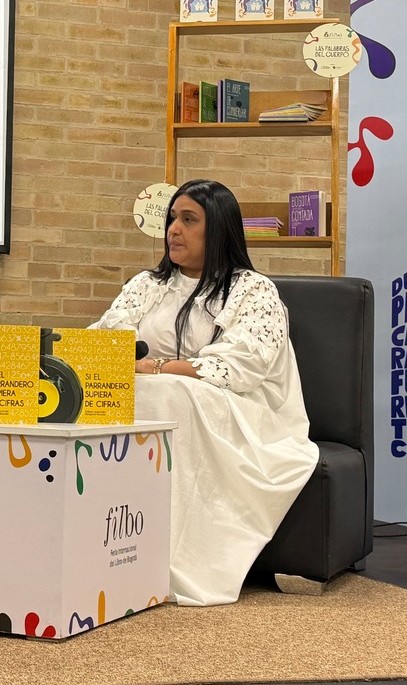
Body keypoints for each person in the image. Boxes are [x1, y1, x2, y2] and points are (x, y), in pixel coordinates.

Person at [90, 179, 319, 606]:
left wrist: (157, 367)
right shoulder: (148, 284)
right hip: (169, 394)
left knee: (168, 393)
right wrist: (138, 366)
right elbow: (104, 340)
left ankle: (167, 559)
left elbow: (242, 365)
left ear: (218, 230)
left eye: (188, 220)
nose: (173, 229)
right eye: (172, 219)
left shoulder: (253, 289)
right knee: (130, 390)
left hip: (244, 411)